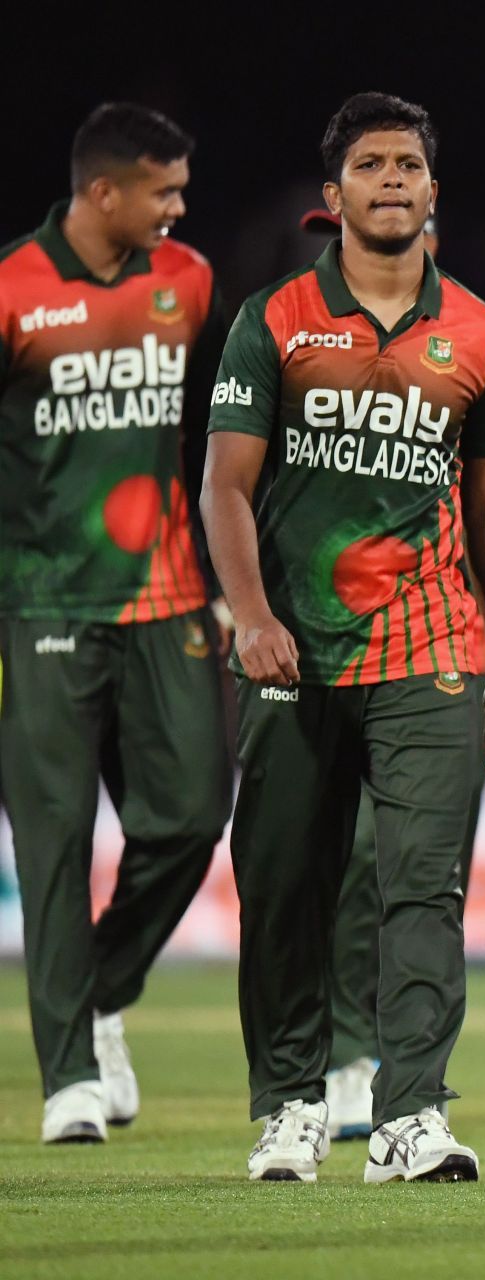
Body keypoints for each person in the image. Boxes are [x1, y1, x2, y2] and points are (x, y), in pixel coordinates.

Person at [201, 91, 485, 1183]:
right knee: (286, 877)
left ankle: (410, 1116)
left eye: (409, 164)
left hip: (433, 643)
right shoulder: (275, 319)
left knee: (424, 885)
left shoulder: (480, 331)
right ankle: (292, 1102)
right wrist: (251, 616)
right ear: (330, 195)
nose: (391, 179)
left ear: (435, 192)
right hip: (297, 647)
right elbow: (225, 488)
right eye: (370, 164)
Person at [296, 207, 485, 1139]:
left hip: (435, 644)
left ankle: (394, 1081)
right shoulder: (290, 332)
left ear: (434, 230)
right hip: (322, 640)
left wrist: (476, 588)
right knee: (328, 853)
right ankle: (337, 1058)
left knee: (411, 863)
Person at [0, 103, 233, 1145]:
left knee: (187, 815)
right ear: (104, 193)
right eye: (163, 191)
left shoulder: (186, 281)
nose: (179, 209)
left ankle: (97, 993)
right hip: (41, 603)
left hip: (167, 597)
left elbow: (220, 438)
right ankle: (68, 1082)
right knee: (52, 841)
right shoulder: (10, 290)